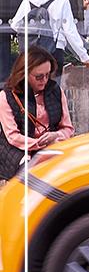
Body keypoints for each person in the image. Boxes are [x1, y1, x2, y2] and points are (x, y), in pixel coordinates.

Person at [1, 47, 72, 177]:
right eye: (38, 77)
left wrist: (55, 136)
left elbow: (68, 129)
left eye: (47, 75)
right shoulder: (6, 96)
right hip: (19, 150)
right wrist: (39, 144)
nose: (44, 80)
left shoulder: (55, 91)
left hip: (51, 146)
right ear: (24, 74)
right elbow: (12, 136)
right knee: (33, 175)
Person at [12, 0, 89, 73]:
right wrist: (84, 56)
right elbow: (70, 31)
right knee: (50, 85)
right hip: (54, 50)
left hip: (30, 50)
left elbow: (15, 24)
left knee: (32, 84)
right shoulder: (62, 1)